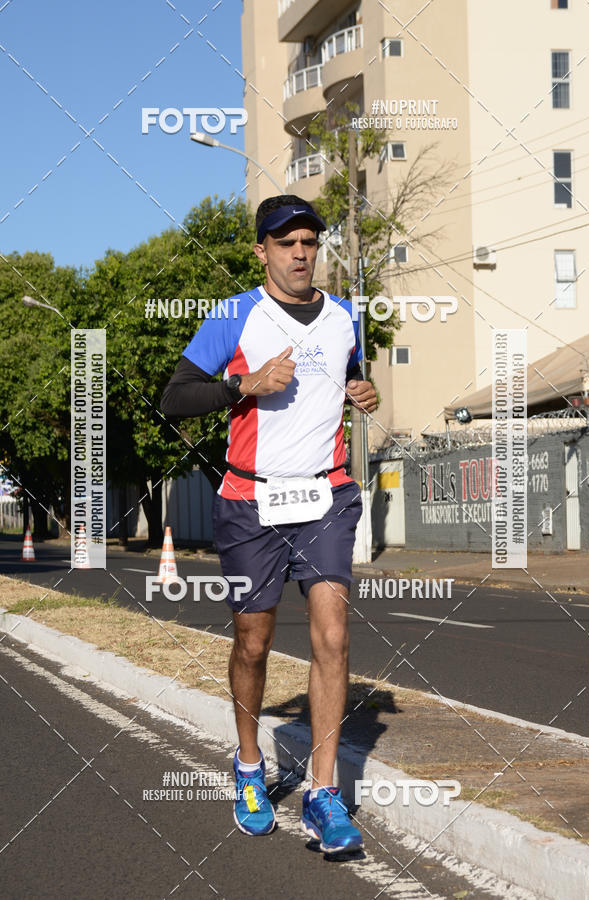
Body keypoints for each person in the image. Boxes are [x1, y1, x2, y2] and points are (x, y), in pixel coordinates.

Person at [160, 194, 377, 854]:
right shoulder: (234, 316)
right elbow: (174, 399)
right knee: (252, 644)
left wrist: (363, 391)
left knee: (333, 637)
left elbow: (352, 378)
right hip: (251, 502)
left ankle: (323, 795)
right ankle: (250, 766)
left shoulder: (345, 316)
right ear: (262, 251)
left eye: (309, 241)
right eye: (286, 243)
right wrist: (241, 386)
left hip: (326, 498)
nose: (301, 252)